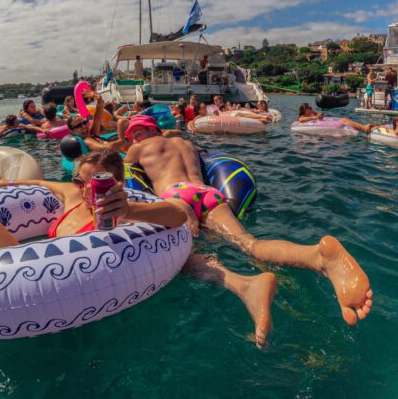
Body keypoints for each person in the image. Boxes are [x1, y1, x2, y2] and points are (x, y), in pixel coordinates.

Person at [0, 149, 278, 346]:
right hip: (46, 279)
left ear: (117, 184)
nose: (85, 189)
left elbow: (176, 216)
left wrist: (127, 209)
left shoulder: (121, 210)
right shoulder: (71, 194)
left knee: (181, 257)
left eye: (95, 182)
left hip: (92, 285)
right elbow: (39, 183)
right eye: (79, 181)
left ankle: (244, 285)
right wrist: (7, 184)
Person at [124, 129, 373, 328]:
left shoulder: (138, 147)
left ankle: (245, 285)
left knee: (184, 255)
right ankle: (316, 256)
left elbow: (126, 170)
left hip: (175, 197)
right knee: (249, 243)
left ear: (141, 133)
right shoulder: (186, 144)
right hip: (208, 193)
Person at [297, 103, 372, 133]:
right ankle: (364, 128)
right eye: (310, 107)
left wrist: (316, 114)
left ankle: (364, 127)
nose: (312, 108)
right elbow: (300, 120)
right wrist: (315, 117)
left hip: (323, 123)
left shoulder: (312, 113)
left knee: (344, 119)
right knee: (343, 120)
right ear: (305, 110)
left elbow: (321, 115)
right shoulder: (302, 117)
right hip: (320, 127)